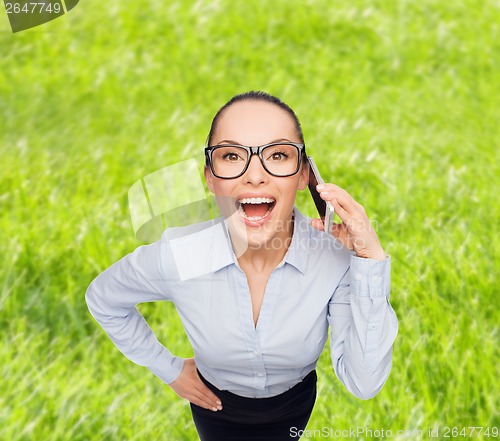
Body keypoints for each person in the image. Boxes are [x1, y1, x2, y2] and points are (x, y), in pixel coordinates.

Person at [85, 91, 399, 441]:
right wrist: (168, 368)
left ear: (302, 175)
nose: (254, 176)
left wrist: (370, 259)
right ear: (210, 177)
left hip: (294, 403)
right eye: (232, 156)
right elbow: (104, 298)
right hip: (214, 407)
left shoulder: (335, 261)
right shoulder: (180, 254)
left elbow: (364, 381)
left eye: (278, 155)